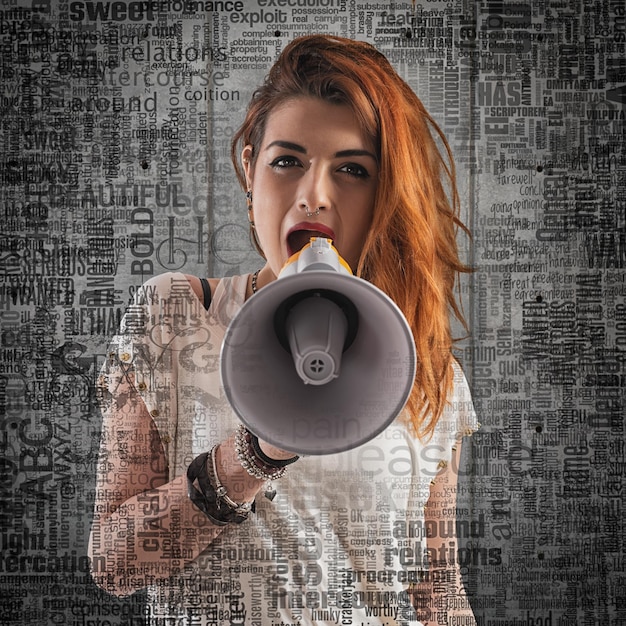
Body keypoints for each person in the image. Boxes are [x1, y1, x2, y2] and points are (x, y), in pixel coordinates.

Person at [89, 34, 480, 625]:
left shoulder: (426, 367)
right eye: (287, 161)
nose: (314, 197)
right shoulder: (175, 315)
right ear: (251, 170)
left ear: (385, 194)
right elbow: (113, 562)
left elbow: (438, 592)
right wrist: (254, 455)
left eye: (352, 169)